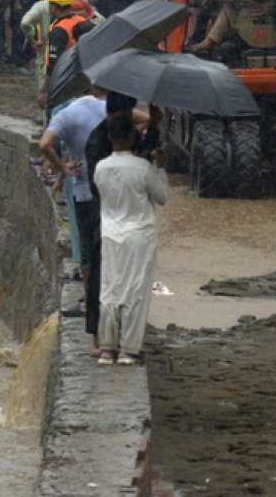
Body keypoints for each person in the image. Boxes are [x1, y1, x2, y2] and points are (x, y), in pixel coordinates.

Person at [83, 93, 160, 357]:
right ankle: (114, 343)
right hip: (119, 225)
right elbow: (159, 192)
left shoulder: (106, 159)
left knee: (110, 286)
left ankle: (107, 345)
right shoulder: (97, 142)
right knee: (125, 286)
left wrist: (153, 128)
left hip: (110, 226)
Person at [39, 90, 108, 289]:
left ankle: (89, 301)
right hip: (110, 190)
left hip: (84, 191)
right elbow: (144, 119)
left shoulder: (66, 114)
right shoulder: (109, 109)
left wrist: (61, 168)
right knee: (107, 244)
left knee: (87, 248)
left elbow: (45, 144)